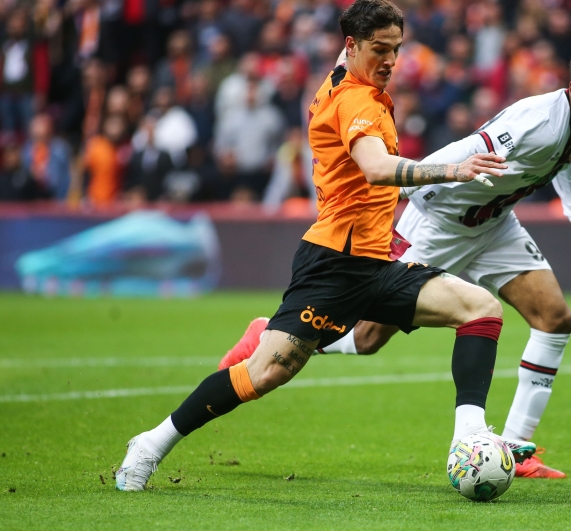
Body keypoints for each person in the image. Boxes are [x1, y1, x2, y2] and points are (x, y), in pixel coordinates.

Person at [115, 0, 534, 492]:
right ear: (354, 46)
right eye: (380, 49)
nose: (391, 61)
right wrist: (454, 170)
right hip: (333, 264)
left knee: (480, 309)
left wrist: (361, 40)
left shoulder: (345, 74)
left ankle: (469, 437)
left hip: (377, 262)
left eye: (397, 49)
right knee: (266, 373)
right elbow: (377, 168)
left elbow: (348, 54)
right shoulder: (355, 101)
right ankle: (149, 444)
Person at [219, 42, 571, 479]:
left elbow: (566, 154)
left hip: (493, 225)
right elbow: (467, 147)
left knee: (555, 319)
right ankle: (269, 333)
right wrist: (405, 186)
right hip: (440, 218)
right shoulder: (536, 120)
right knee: (368, 339)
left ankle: (516, 450)